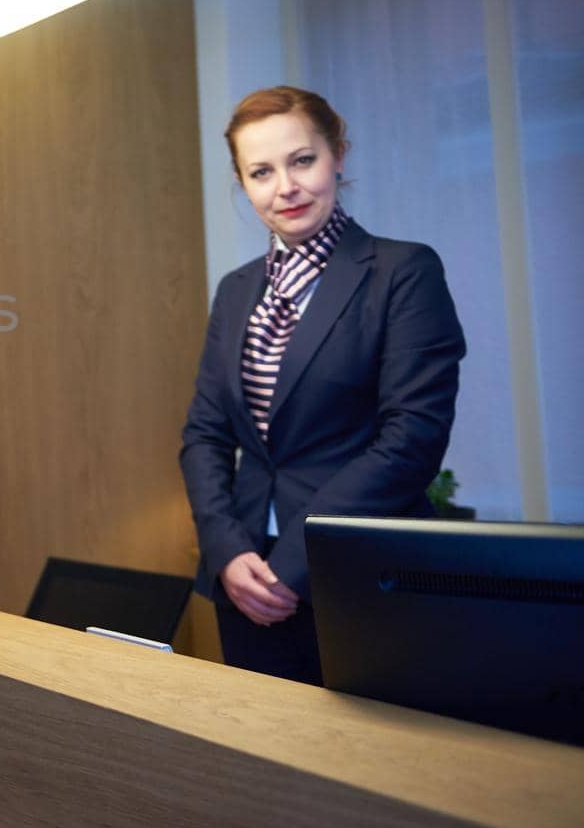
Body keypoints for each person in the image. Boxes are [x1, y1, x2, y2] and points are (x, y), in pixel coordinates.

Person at [179, 85, 464, 685]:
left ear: (338, 154)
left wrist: (296, 560)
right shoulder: (236, 291)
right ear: (242, 182)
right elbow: (204, 434)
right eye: (261, 171)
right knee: (262, 766)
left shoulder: (402, 272)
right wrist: (227, 550)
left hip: (357, 577)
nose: (285, 186)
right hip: (246, 586)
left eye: (302, 160)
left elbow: (410, 438)